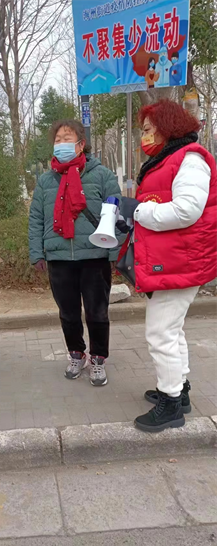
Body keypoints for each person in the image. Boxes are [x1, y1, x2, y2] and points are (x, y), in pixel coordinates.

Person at [120, 99, 217, 433]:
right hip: (177, 259)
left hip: (182, 261)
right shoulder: (170, 160)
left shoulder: (190, 160)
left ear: (167, 126)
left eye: (148, 129)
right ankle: (180, 390)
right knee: (171, 330)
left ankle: (171, 404)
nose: (143, 137)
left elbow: (185, 211)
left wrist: (138, 211)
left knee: (160, 333)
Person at [29, 120, 124, 386]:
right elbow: (36, 219)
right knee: (68, 313)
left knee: (97, 313)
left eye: (66, 138)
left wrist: (115, 254)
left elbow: (118, 216)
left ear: (81, 144)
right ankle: (76, 353)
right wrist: (37, 253)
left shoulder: (102, 176)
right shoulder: (46, 181)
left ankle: (98, 358)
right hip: (59, 258)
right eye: (57, 139)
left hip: (95, 257)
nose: (61, 144)